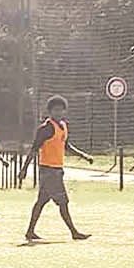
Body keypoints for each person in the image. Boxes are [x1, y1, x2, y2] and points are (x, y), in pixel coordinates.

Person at [25, 95, 93, 242]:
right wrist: (24, 169)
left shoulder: (62, 126)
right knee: (63, 202)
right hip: (48, 170)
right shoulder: (45, 128)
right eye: (55, 110)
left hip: (57, 169)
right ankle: (74, 232)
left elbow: (66, 145)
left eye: (61, 110)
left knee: (41, 201)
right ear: (50, 111)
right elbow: (34, 149)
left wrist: (83, 155)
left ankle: (30, 231)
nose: (59, 113)